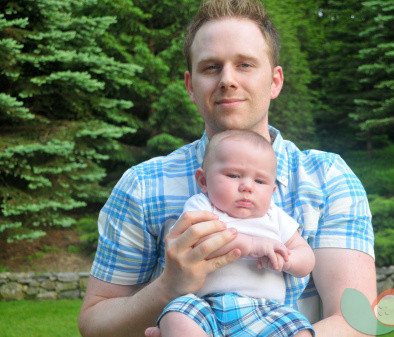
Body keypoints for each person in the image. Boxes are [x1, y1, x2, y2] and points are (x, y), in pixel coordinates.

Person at [78, 1, 376, 336]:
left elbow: (356, 320)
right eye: (210, 67)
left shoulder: (328, 178)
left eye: (245, 65)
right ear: (191, 86)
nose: (227, 80)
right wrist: (167, 288)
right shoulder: (142, 185)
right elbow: (94, 324)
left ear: (275, 81)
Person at [159, 129, 315, 337]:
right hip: (205, 305)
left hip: (266, 310)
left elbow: (306, 257)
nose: (247, 187)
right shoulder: (202, 206)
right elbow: (199, 241)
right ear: (203, 181)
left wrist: (287, 259)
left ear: (272, 191)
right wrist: (252, 245)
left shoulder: (274, 215)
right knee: (175, 316)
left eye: (260, 181)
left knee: (299, 328)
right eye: (233, 175)